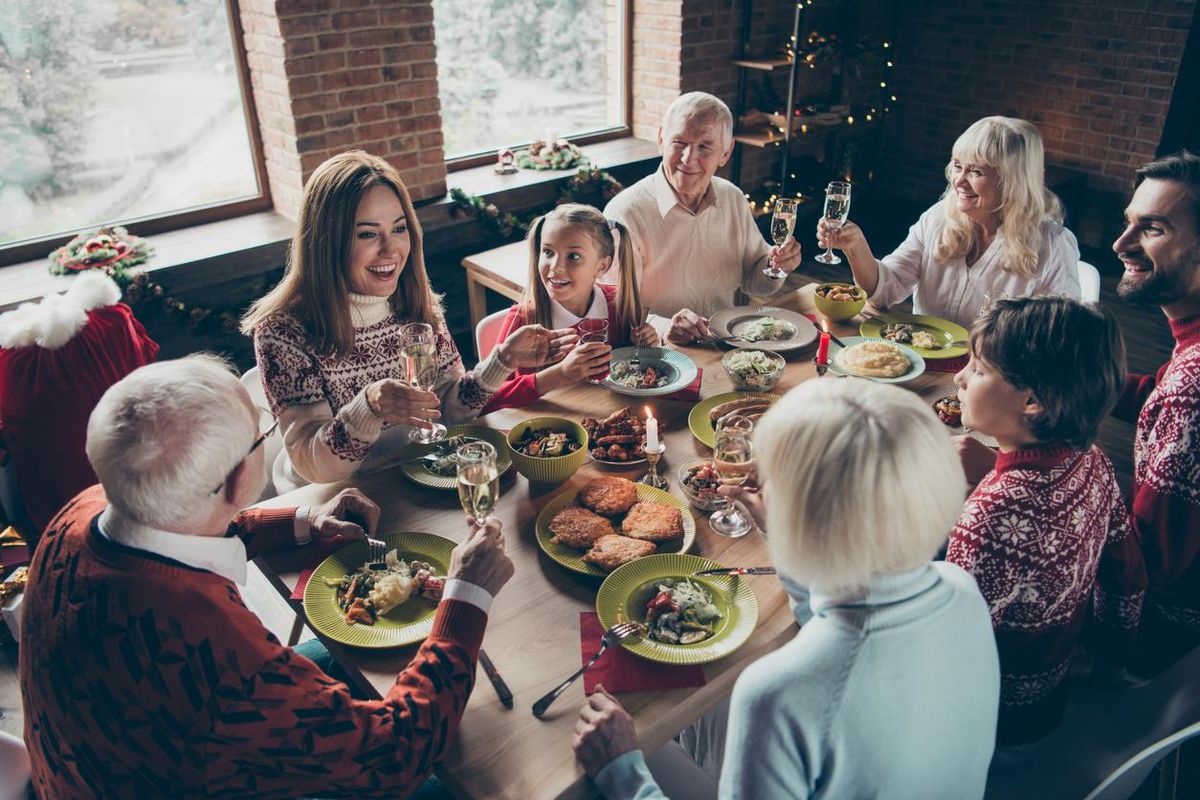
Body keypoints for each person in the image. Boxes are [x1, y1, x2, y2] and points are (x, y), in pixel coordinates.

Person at [18, 354, 515, 799]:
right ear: (239, 480)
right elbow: (395, 756)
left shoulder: (80, 512)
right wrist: (466, 596)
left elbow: (193, 522)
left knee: (350, 655)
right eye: (261, 433)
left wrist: (304, 522)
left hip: (90, 763)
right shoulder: (220, 657)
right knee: (479, 778)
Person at [573, 379, 1000, 799]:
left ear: (805, 515)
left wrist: (624, 772)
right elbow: (839, 622)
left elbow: (826, 669)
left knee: (644, 746)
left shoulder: (777, 693)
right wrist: (780, 532)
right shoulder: (961, 589)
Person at [242, 150, 576, 492]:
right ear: (326, 242)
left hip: (416, 480)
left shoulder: (416, 303)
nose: (391, 250)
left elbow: (447, 410)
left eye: (399, 229)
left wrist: (503, 360)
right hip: (338, 498)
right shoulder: (283, 331)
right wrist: (369, 406)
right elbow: (313, 463)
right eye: (367, 234)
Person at [945, 297, 1147, 750]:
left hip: (991, 729)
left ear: (1032, 401)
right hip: (1049, 700)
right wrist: (1112, 662)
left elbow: (941, 646)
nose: (958, 377)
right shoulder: (1090, 460)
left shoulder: (992, 513)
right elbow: (1127, 573)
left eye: (977, 370)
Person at [817, 116, 1081, 327]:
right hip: (919, 362)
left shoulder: (1053, 245)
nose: (959, 181)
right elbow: (886, 292)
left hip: (992, 377)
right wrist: (856, 246)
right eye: (957, 166)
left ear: (1014, 182)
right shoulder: (938, 217)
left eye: (976, 171)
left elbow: (1056, 336)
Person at [603, 92, 802, 344]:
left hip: (729, 344)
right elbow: (612, 309)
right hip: (658, 357)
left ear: (726, 153)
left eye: (704, 147)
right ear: (661, 138)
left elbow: (756, 282)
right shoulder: (624, 213)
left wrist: (777, 267)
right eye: (679, 142)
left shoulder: (733, 198)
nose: (688, 159)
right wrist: (665, 328)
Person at [1110, 150, 1200, 677]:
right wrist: (1071, 380)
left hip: (1158, 643)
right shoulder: (1187, 360)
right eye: (1129, 224)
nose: (1122, 245)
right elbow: (1161, 397)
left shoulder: (1193, 388)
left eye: (1153, 229)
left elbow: (1144, 565)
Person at [482, 203, 658, 412]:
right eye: (548, 252)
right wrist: (559, 374)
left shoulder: (619, 303)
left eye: (573, 256)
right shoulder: (522, 319)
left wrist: (648, 345)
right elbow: (485, 401)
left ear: (601, 266)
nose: (555, 266)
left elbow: (638, 374)